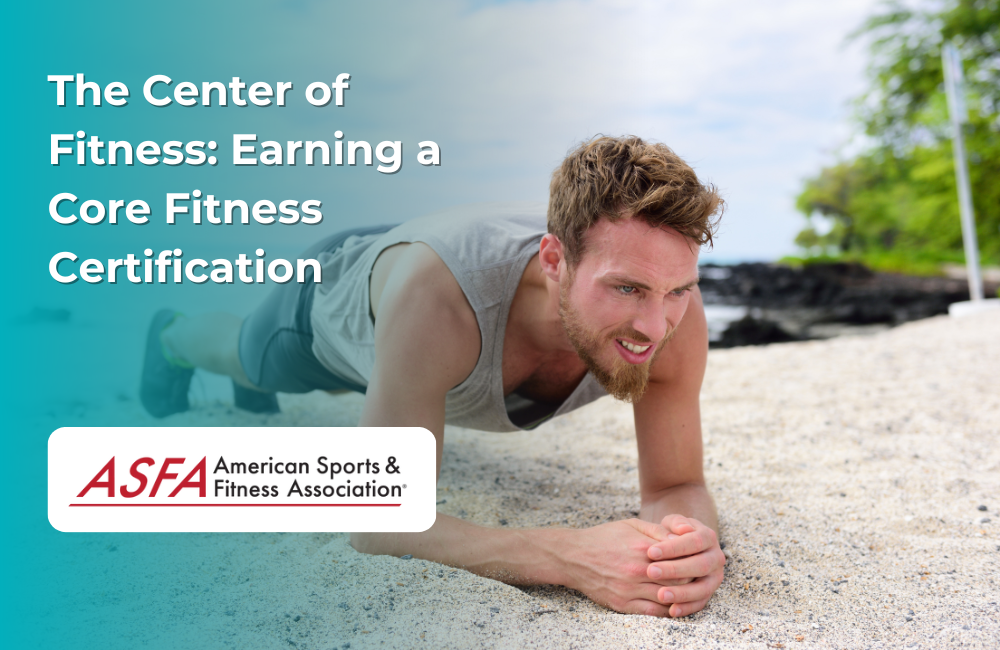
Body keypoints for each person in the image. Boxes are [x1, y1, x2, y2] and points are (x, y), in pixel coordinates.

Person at [141, 135, 727, 618]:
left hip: (426, 299)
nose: (656, 325)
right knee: (247, 354)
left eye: (677, 289)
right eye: (627, 288)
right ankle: (173, 334)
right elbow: (379, 523)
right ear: (555, 261)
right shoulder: (440, 301)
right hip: (328, 303)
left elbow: (674, 487)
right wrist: (568, 555)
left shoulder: (674, 313)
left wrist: (684, 548)